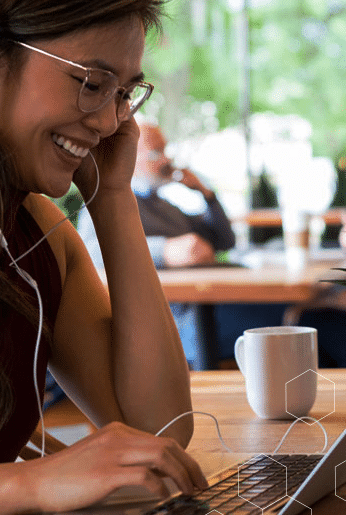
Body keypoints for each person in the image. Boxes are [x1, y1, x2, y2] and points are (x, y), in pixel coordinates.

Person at [0, 0, 207, 515]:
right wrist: (33, 480)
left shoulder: (36, 227)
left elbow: (162, 428)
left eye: (124, 93)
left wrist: (113, 201)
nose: (114, 119)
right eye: (91, 82)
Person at [79, 119, 236, 367]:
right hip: (178, 323)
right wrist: (164, 251)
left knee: (305, 319)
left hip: (207, 308)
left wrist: (208, 196)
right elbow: (91, 251)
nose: (165, 160)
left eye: (165, 151)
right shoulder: (107, 201)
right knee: (298, 322)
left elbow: (225, 241)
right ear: (127, 157)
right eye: (155, 152)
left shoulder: (167, 206)